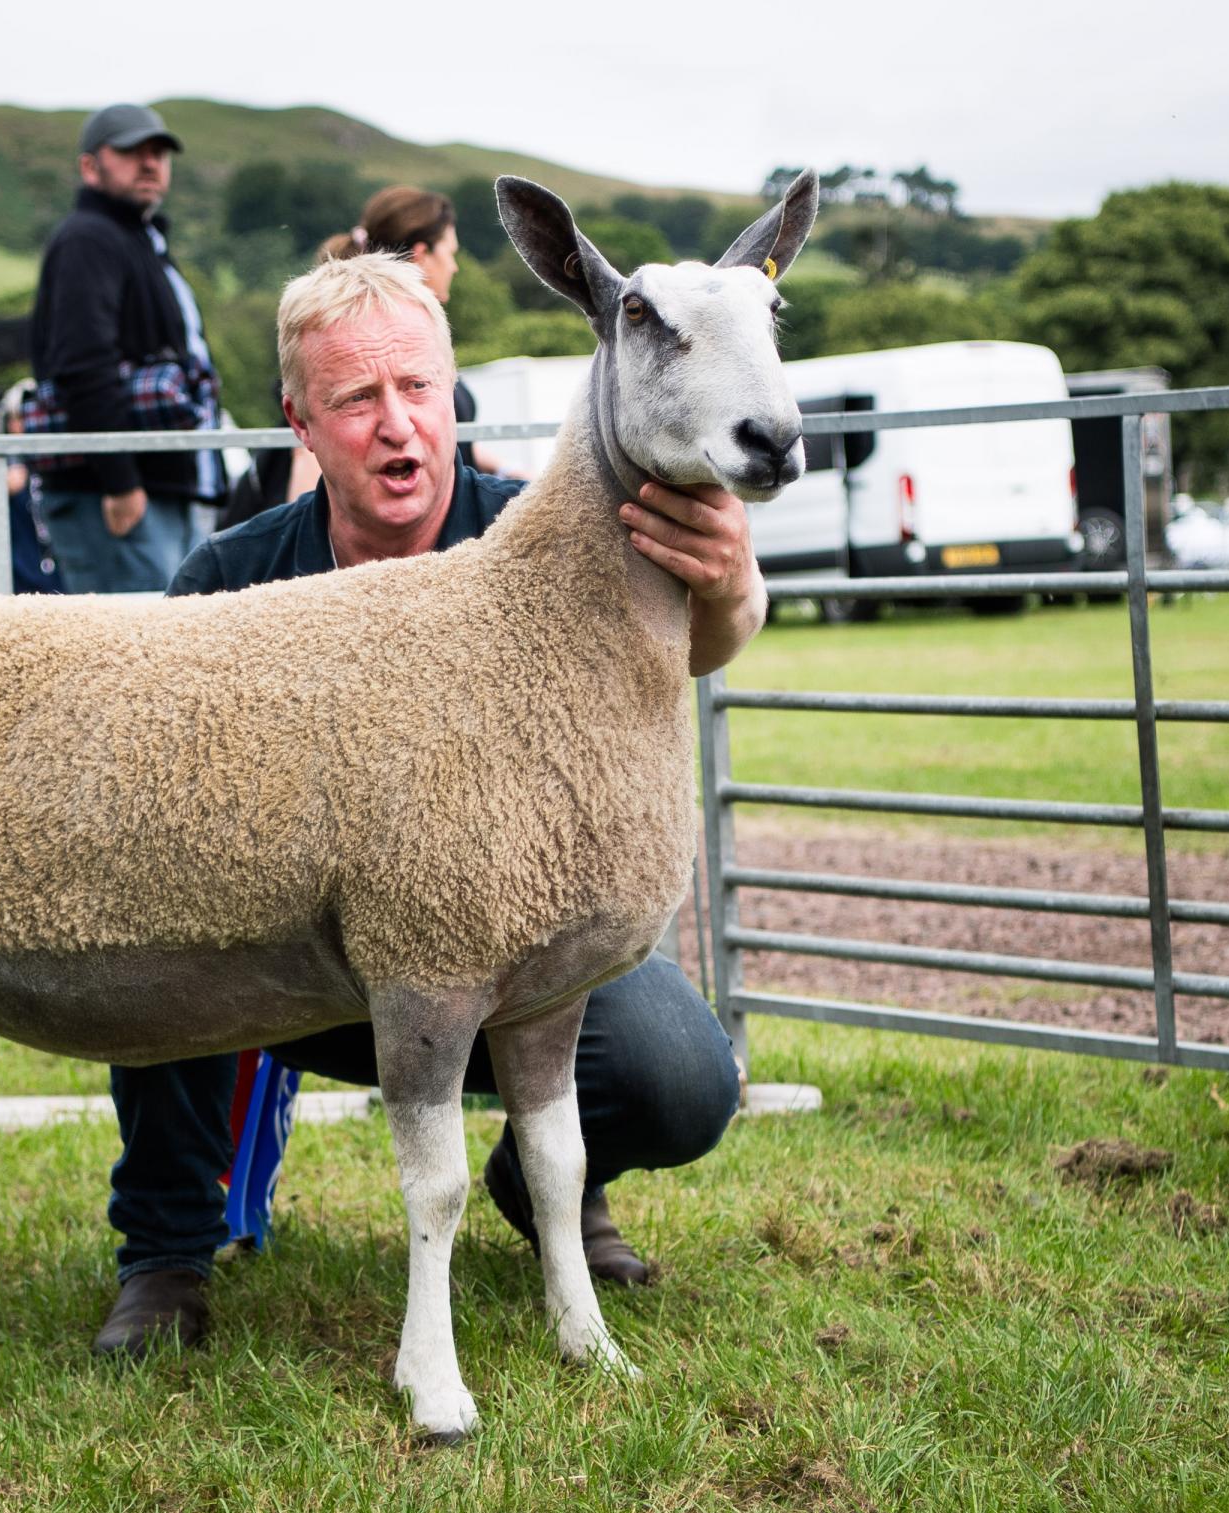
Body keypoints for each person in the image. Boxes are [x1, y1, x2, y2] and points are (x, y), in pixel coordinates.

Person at [92, 252, 766, 1356]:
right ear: (301, 422)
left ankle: (550, 1192)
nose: (399, 425)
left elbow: (695, 646)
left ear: (454, 396)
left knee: (681, 1075)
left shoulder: (545, 536)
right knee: (162, 925)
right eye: (357, 400)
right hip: (294, 959)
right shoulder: (228, 582)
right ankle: (166, 1253)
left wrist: (732, 585)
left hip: (522, 939)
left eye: (418, 389)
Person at [225, 186, 518, 528]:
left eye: (418, 386)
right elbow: (309, 471)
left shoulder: (422, 341)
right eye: (359, 396)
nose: (454, 266)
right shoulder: (336, 347)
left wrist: (506, 472)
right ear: (421, 256)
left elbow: (455, 447)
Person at [28, 103, 226, 593]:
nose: (151, 162)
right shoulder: (88, 239)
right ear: (89, 166)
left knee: (162, 647)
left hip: (153, 483)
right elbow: (82, 365)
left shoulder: (137, 239)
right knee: (131, 656)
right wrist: (120, 481)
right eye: (132, 151)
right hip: (116, 492)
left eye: (159, 152)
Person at [0, 381, 63, 595]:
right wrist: (0, 492)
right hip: (18, 576)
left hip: (61, 573)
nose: (22, 425)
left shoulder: (59, 460)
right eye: (18, 418)